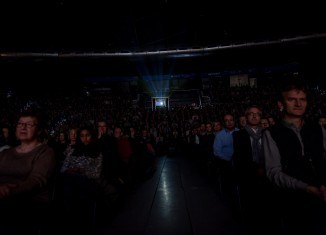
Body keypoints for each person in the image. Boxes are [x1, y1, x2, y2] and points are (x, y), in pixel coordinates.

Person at [263, 79, 326, 235]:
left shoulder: (318, 128)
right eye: (292, 99)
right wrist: (305, 188)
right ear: (281, 104)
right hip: (293, 203)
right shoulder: (271, 133)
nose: (298, 104)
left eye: (302, 99)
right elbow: (273, 172)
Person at [0, 107, 56, 234]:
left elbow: (36, 180)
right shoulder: (5, 153)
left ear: (39, 130)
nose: (23, 127)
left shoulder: (45, 152)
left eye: (29, 124)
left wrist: (6, 190)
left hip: (29, 204)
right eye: (20, 123)